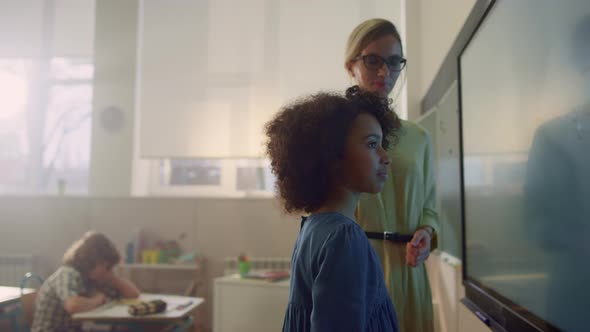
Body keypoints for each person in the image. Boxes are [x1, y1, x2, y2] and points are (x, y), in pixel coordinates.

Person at [266, 89, 401, 331]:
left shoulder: (314, 227)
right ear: (332, 155)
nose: (386, 157)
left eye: (382, 145)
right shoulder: (343, 238)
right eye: (372, 144)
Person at [344, 18, 439, 331]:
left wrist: (426, 233)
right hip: (356, 267)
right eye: (373, 61)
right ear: (351, 66)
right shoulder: (332, 132)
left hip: (409, 272)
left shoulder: (419, 138)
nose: (385, 73)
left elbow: (430, 206)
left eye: (394, 62)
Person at [31, 231, 140, 332]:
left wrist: (113, 278)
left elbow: (133, 295)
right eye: (107, 267)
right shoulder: (67, 273)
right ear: (93, 260)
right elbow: (73, 306)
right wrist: (98, 300)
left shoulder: (91, 278)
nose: (109, 271)